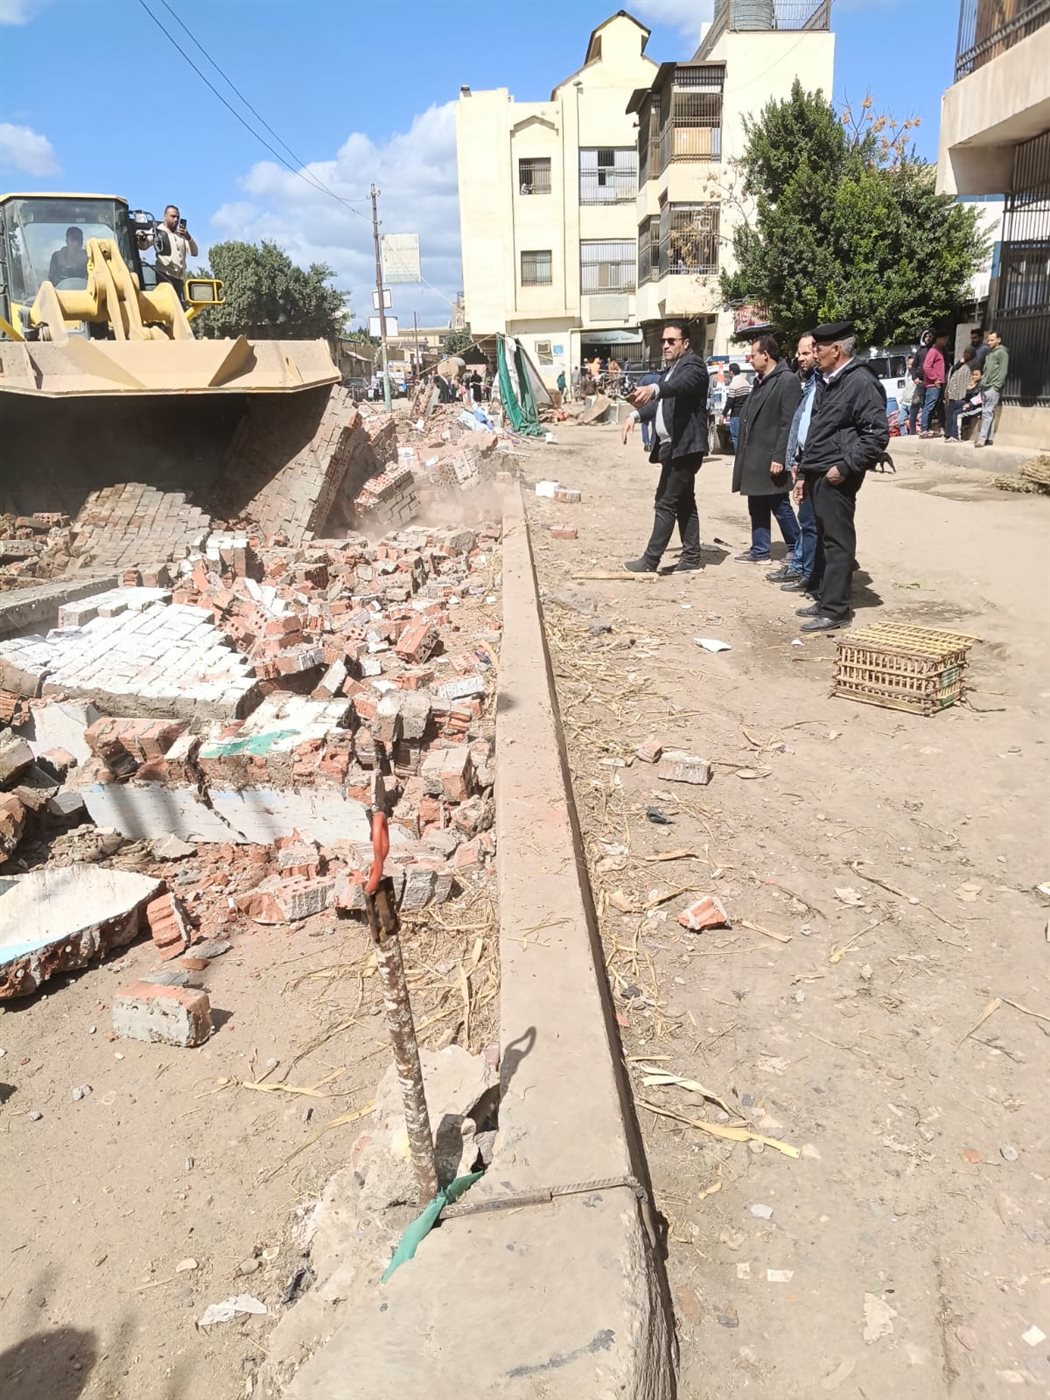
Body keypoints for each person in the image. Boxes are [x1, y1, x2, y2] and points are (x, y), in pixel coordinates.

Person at [794, 320, 889, 633]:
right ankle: (826, 598)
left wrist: (845, 468)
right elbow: (818, 431)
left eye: (818, 349)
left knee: (838, 542)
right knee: (824, 539)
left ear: (836, 350)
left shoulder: (860, 382)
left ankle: (836, 610)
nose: (814, 354)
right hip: (819, 471)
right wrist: (805, 472)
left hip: (836, 474)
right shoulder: (827, 380)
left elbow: (876, 434)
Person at [620, 321, 709, 575]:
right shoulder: (671, 370)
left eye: (672, 341)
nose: (666, 345)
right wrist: (635, 415)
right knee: (684, 503)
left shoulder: (693, 366)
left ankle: (650, 561)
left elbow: (679, 387)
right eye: (663, 341)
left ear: (686, 343)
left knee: (665, 501)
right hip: (673, 447)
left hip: (685, 447)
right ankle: (691, 558)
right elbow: (661, 405)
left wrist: (655, 388)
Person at [731, 334, 801, 564]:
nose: (750, 359)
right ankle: (760, 550)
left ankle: (796, 547)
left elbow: (789, 424)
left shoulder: (787, 381)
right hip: (754, 457)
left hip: (772, 456)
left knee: (779, 504)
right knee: (756, 504)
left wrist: (780, 456)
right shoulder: (759, 381)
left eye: (754, 355)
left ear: (766, 355)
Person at [769, 333, 820, 594]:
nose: (799, 358)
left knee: (811, 523)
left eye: (805, 353)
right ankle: (800, 565)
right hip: (803, 461)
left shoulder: (824, 385)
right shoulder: (809, 383)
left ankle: (808, 572)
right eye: (799, 353)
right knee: (807, 519)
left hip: (816, 463)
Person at [141, 204, 198, 302]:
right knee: (168, 305)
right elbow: (143, 246)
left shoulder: (181, 234)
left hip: (179, 279)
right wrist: (142, 238)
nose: (176, 219)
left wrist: (188, 237)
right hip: (165, 277)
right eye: (173, 216)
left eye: (177, 217)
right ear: (165, 217)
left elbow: (195, 252)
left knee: (181, 306)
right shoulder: (157, 231)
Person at [974, 329, 1008, 447]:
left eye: (992, 340)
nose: (989, 342)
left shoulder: (1001, 353)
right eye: (988, 340)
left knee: (987, 413)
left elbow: (1003, 371)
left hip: (993, 387)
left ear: (999, 340)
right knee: (988, 413)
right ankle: (989, 438)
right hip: (986, 386)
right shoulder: (990, 353)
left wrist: (996, 386)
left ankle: (982, 438)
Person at [918, 329, 949, 437]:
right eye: (944, 339)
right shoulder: (933, 351)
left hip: (938, 384)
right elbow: (926, 367)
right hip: (933, 385)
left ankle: (927, 428)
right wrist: (935, 378)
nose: (945, 342)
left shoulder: (940, 351)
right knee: (929, 406)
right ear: (938, 339)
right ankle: (924, 429)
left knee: (935, 406)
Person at [944, 347, 976, 441]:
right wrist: (959, 363)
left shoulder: (973, 364)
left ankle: (954, 434)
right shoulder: (962, 364)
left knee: (956, 412)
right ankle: (948, 433)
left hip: (963, 394)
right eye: (965, 353)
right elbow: (953, 370)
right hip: (954, 392)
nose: (966, 355)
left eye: (968, 353)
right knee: (950, 412)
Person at [908, 331, 934, 435]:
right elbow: (914, 366)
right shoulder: (920, 351)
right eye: (926, 336)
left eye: (930, 336)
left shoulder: (935, 350)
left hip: (932, 382)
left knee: (930, 405)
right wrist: (914, 377)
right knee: (917, 404)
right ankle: (913, 430)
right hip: (921, 382)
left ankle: (928, 427)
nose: (928, 338)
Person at [724, 363, 751, 452]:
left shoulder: (733, 384)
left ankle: (738, 456)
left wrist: (724, 413)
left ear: (731, 372)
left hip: (736, 414)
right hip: (746, 413)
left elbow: (730, 401)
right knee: (744, 437)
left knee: (736, 437)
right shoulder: (746, 382)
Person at [959, 366, 984, 438]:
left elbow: (977, 398)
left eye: (976, 375)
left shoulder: (981, 385)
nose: (974, 377)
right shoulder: (972, 384)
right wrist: (968, 388)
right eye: (973, 375)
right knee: (955, 405)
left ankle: (963, 428)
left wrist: (971, 389)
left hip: (975, 406)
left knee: (958, 411)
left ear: (981, 375)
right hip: (969, 404)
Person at [896, 356, 915, 435]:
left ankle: (912, 435)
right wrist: (903, 398)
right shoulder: (907, 374)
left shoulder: (916, 375)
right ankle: (904, 435)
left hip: (912, 402)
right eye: (908, 364)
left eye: (911, 364)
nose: (909, 366)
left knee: (912, 422)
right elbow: (907, 388)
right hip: (905, 402)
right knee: (901, 421)